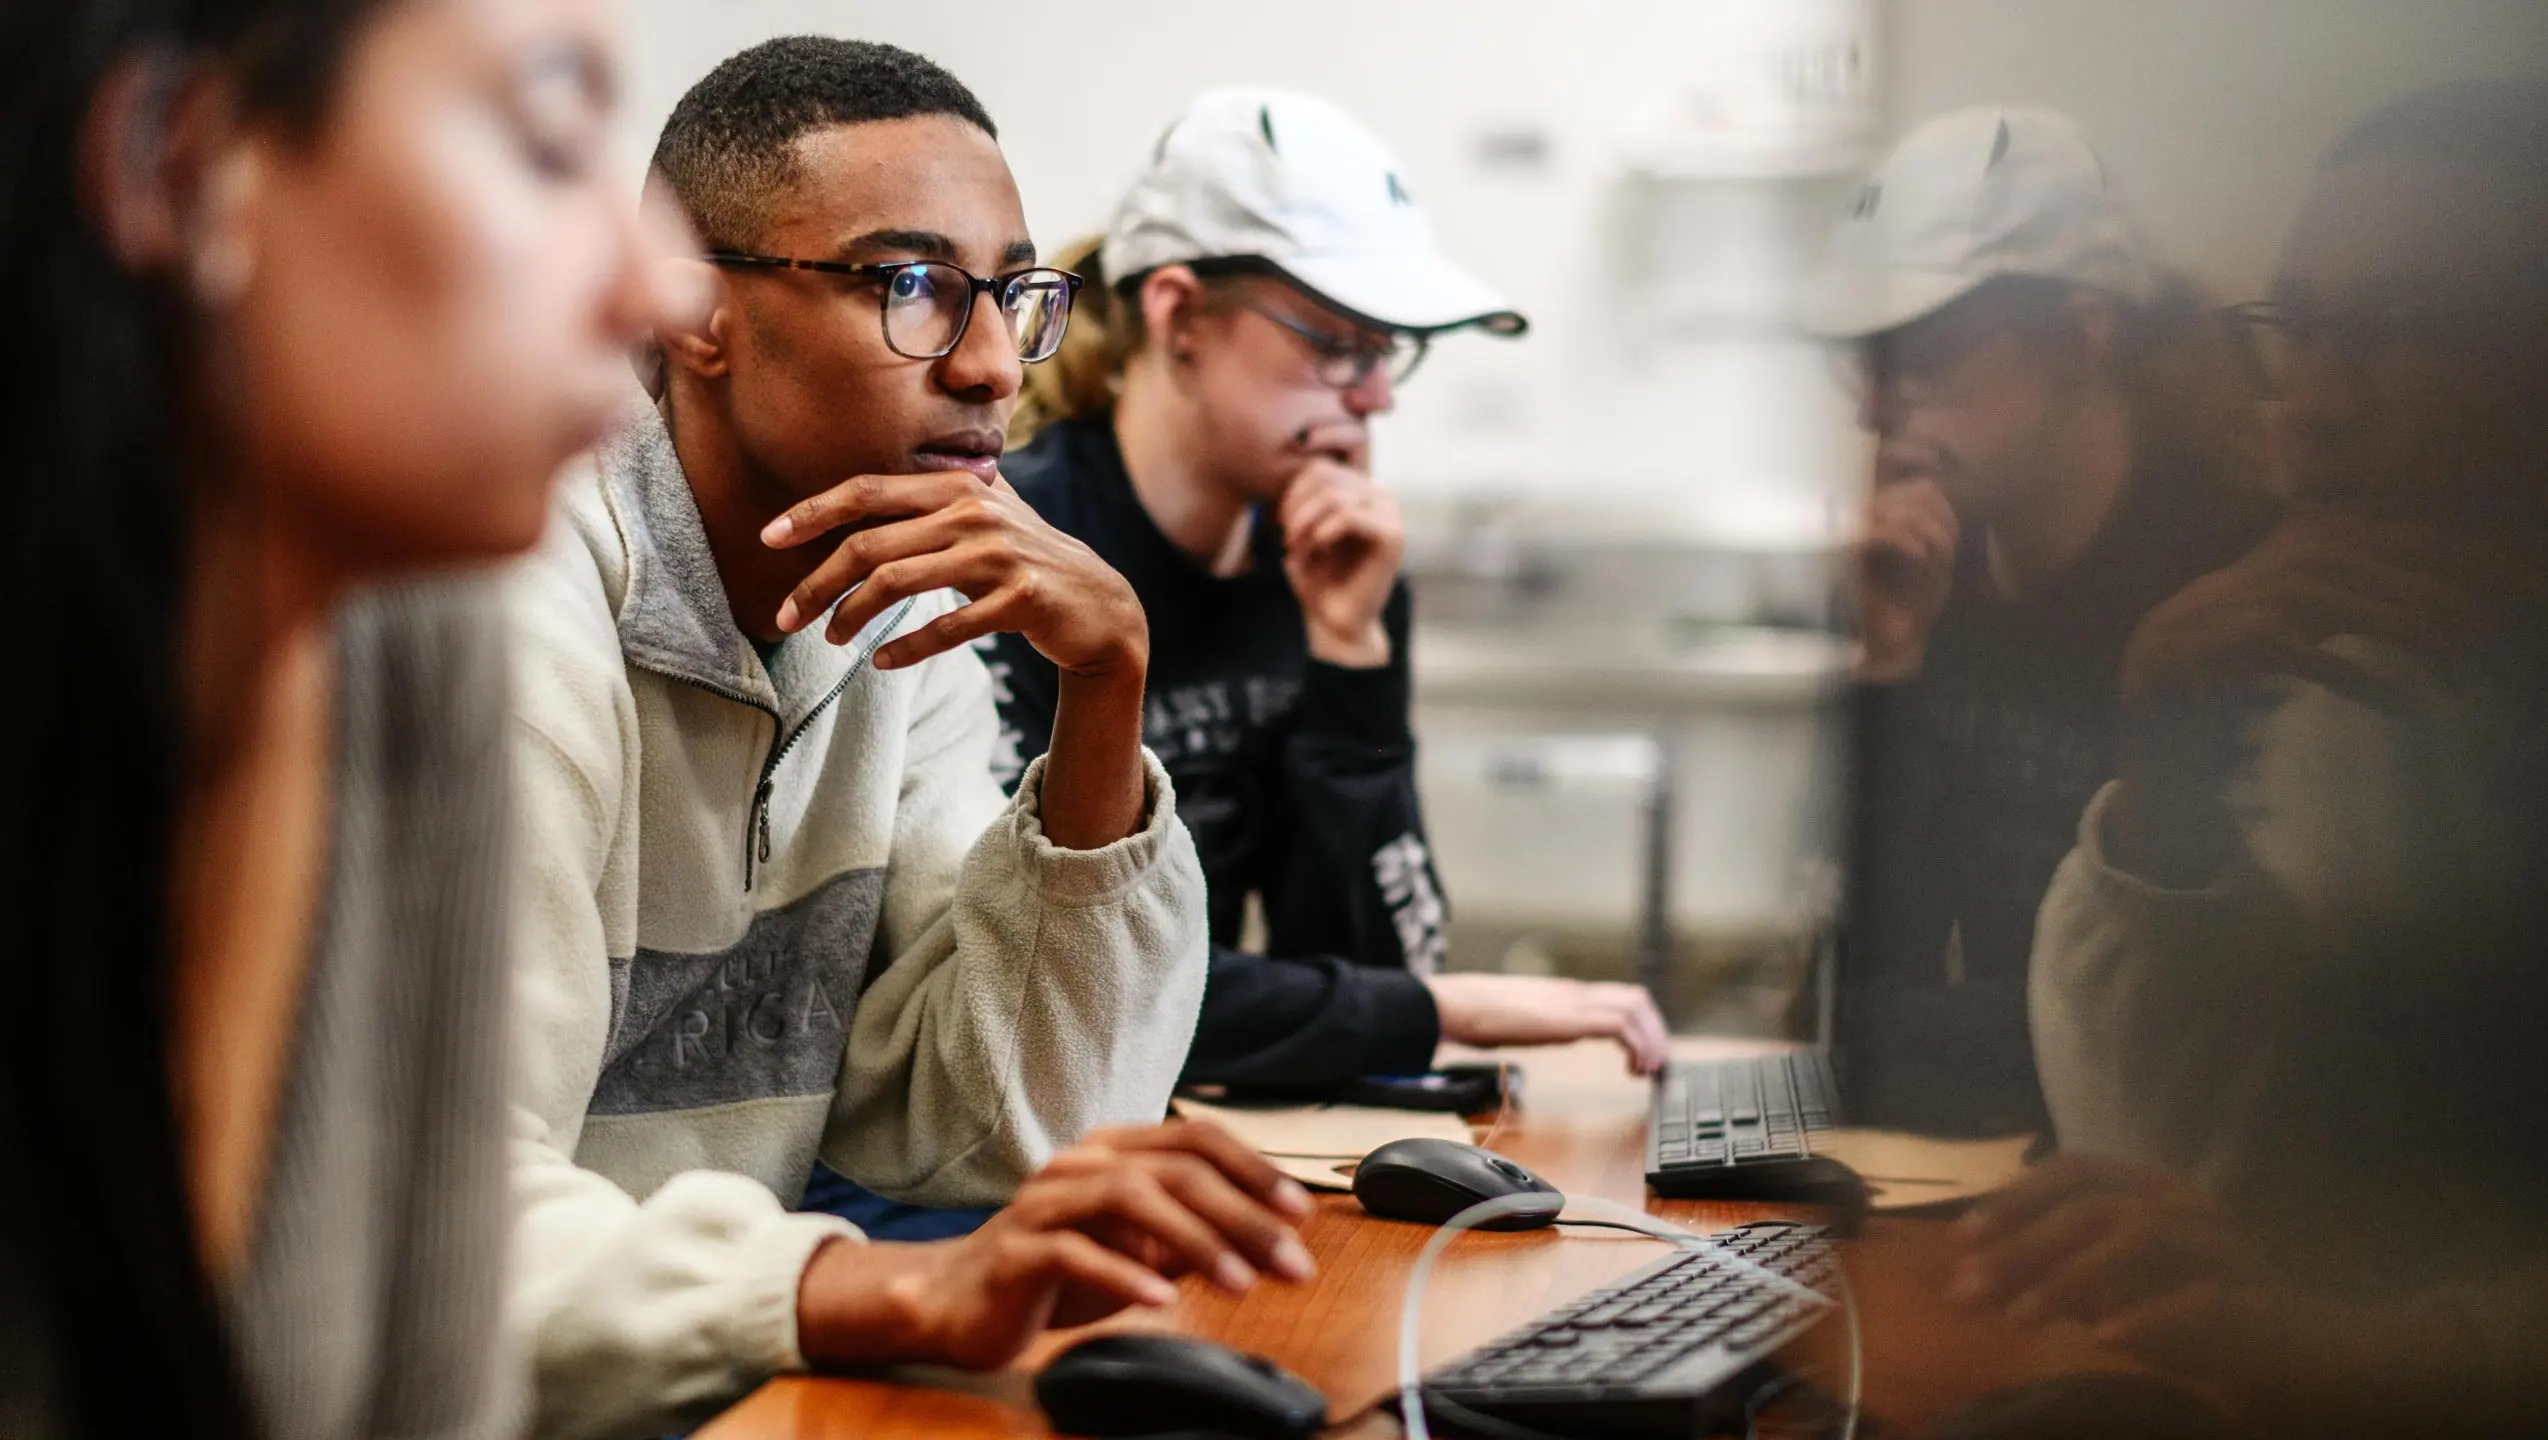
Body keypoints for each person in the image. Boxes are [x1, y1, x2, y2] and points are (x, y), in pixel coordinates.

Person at [502, 40, 1313, 1440]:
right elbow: (419, 1224)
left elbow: (1017, 1128)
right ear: (695, 307)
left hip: (723, 1394)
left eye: (1012, 295)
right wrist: (880, 1298)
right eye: (912, 287)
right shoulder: (510, 610)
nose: (996, 367)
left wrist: (1104, 685)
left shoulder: (903, 609)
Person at [1, 0, 675, 1435]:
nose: (654, 290)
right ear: (181, 172)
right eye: (551, 141)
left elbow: (430, 1396)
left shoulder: (411, 629)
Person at [1947, 82, 2548, 1436]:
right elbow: (2165, 1175)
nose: (2318, 407)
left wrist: (2354, 1356)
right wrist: (2165, 791)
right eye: (2304, 332)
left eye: (2403, 335)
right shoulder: (2329, 656)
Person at [983, 87, 1672, 1096]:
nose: (1376, 396)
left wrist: (1349, 648)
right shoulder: (1019, 549)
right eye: (1338, 344)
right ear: (1177, 316)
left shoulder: (1327, 559)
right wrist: (1453, 1012)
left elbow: (1373, 976)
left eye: (1386, 353)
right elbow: (1054, 985)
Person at [1797, 107, 2276, 1137]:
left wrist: (1909, 1036)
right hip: (1993, 1175)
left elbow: (2214, 1034)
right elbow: (1849, 1009)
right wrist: (1886, 668)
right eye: (1861, 366)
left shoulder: (2225, 584)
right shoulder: (1941, 570)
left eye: (1919, 353)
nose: (1874, 412)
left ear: (2079, 338)